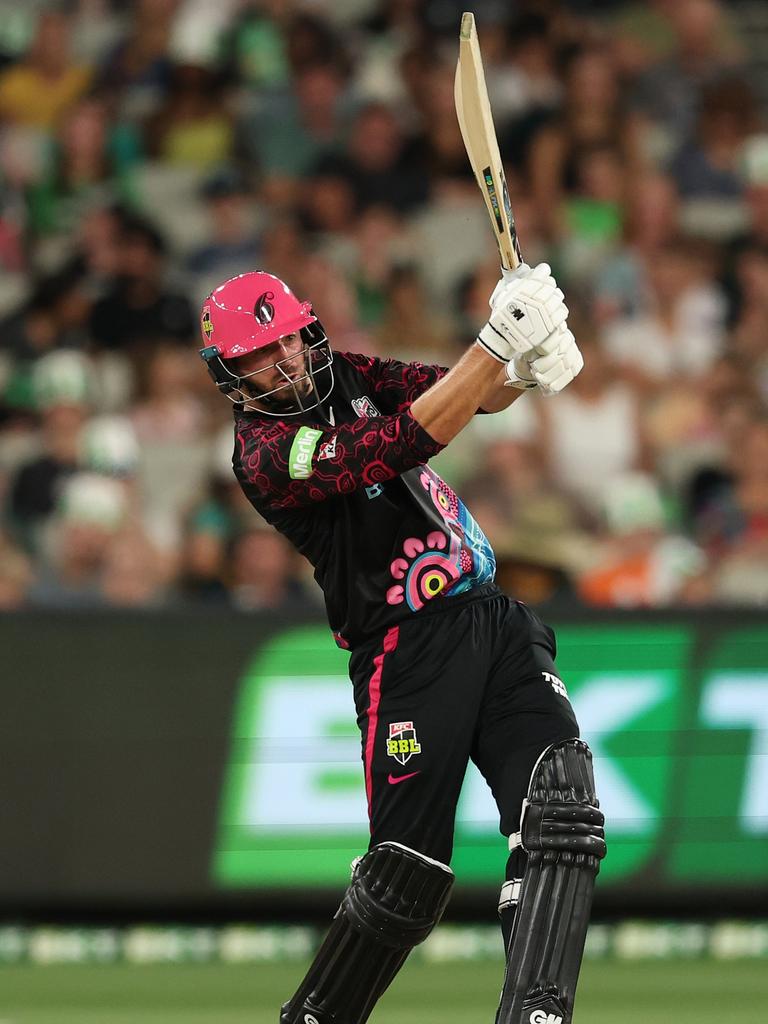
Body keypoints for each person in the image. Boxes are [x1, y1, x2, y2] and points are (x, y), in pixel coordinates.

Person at [199, 266, 605, 1024]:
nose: (284, 360)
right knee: (405, 876)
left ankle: (537, 1015)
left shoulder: (350, 371)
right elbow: (398, 440)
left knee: (561, 813)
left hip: (492, 615)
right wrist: (498, 340)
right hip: (406, 648)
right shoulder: (262, 452)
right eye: (260, 354)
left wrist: (524, 366)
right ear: (232, 375)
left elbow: (462, 392)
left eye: (287, 339)